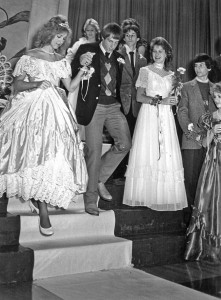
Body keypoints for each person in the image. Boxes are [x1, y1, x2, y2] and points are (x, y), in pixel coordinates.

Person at [0, 15, 88, 236]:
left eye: (63, 39)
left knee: (52, 155)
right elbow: (17, 86)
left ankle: (41, 203)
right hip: (31, 106)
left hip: (56, 109)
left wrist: (82, 70)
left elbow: (70, 87)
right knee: (28, 152)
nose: (60, 42)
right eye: (59, 37)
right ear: (49, 34)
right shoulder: (30, 56)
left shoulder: (61, 60)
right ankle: (41, 209)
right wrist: (36, 83)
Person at [71, 22, 132, 216]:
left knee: (124, 144)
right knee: (94, 152)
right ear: (102, 38)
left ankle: (98, 179)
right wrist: (81, 61)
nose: (112, 45)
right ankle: (90, 200)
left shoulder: (120, 58)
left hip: (113, 106)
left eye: (116, 41)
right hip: (94, 107)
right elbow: (72, 72)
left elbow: (122, 85)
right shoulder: (87, 49)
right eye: (109, 40)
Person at [123, 37, 187, 211]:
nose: (157, 54)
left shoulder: (173, 76)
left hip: (166, 117)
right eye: (154, 51)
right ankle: (144, 195)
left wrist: (174, 100)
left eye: (161, 51)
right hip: (149, 115)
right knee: (148, 150)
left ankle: (163, 196)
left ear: (167, 54)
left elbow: (172, 99)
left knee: (166, 152)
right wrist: (161, 101)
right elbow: (139, 97)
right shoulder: (145, 71)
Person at [184, 82, 221, 264]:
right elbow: (205, 144)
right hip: (213, 163)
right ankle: (208, 247)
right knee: (210, 200)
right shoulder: (210, 117)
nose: (217, 100)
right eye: (215, 97)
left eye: (220, 97)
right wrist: (213, 132)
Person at [177, 53, 217, 224]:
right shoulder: (186, 87)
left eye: (201, 65)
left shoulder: (216, 88)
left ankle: (207, 218)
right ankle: (189, 219)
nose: (198, 68)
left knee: (210, 181)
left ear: (209, 68)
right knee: (191, 180)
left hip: (213, 142)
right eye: (195, 65)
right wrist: (195, 136)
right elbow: (182, 113)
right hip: (192, 141)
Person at [112, 23, 147, 182]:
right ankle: (118, 173)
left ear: (138, 39)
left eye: (133, 35)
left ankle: (130, 173)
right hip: (121, 102)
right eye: (127, 35)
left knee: (134, 137)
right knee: (121, 138)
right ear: (123, 38)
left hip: (137, 105)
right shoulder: (116, 54)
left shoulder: (143, 59)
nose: (130, 38)